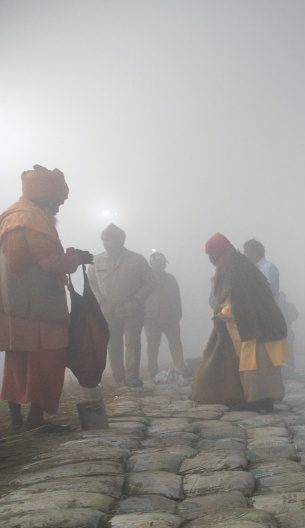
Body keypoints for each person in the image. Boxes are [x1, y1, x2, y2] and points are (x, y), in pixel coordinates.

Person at [0, 165, 93, 432]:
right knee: (47, 362)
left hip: (13, 306)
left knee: (17, 362)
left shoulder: (11, 216)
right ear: (45, 197)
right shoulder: (34, 220)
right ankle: (35, 420)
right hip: (40, 310)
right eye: (57, 201)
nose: (59, 207)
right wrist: (77, 259)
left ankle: (17, 421)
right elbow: (49, 262)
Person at [203, 233, 288, 412]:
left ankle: (256, 400)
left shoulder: (231, 265)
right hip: (261, 319)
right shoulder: (240, 262)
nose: (210, 260)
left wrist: (223, 313)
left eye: (210, 255)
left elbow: (238, 296)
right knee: (265, 363)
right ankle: (267, 399)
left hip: (251, 322)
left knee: (252, 363)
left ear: (216, 253)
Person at [88, 223, 155, 388]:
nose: (106, 244)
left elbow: (150, 282)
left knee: (132, 342)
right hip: (108, 310)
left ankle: (132, 377)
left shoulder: (137, 260)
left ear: (120, 241)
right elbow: (91, 284)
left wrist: (137, 298)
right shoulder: (96, 261)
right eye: (104, 240)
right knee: (113, 344)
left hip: (132, 309)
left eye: (109, 240)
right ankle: (119, 379)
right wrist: (101, 300)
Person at [143, 251, 185, 379]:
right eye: (159, 263)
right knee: (152, 347)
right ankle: (151, 372)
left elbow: (177, 297)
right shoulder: (145, 279)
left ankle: (181, 369)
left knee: (176, 345)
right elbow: (139, 298)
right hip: (151, 319)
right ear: (151, 263)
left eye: (163, 263)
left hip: (171, 318)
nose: (162, 265)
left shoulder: (171, 278)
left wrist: (178, 314)